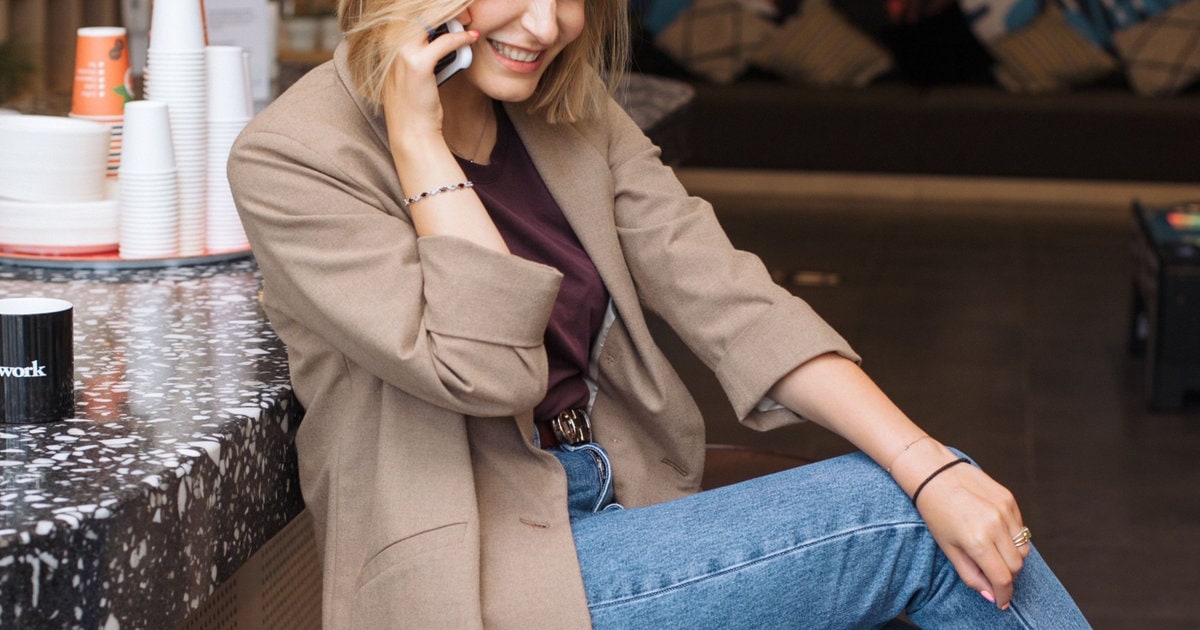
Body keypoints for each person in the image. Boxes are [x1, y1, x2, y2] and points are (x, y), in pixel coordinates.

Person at [227, 0, 1092, 627]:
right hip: (478, 570)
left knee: (934, 489)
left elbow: (730, 297)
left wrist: (929, 463)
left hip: (621, 502)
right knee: (906, 529)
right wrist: (419, 143)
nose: (545, 25)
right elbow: (484, 371)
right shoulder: (295, 158)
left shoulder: (566, 109)